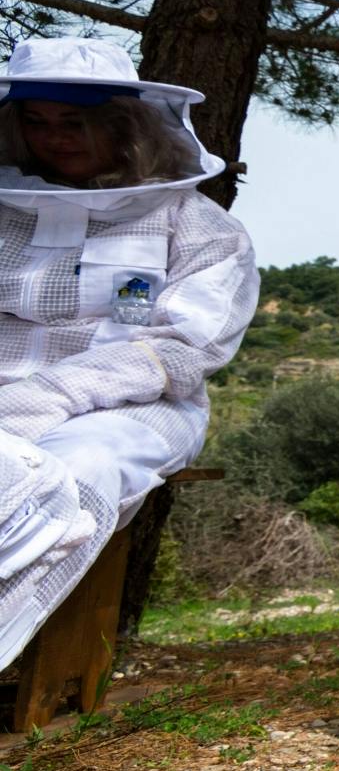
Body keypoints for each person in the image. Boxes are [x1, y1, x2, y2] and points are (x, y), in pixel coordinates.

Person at [0, 38, 258, 669]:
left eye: (74, 122)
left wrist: (46, 398)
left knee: (71, 477)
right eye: (37, 121)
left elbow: (182, 348)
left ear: (124, 124)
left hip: (134, 407)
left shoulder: (196, 226)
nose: (54, 138)